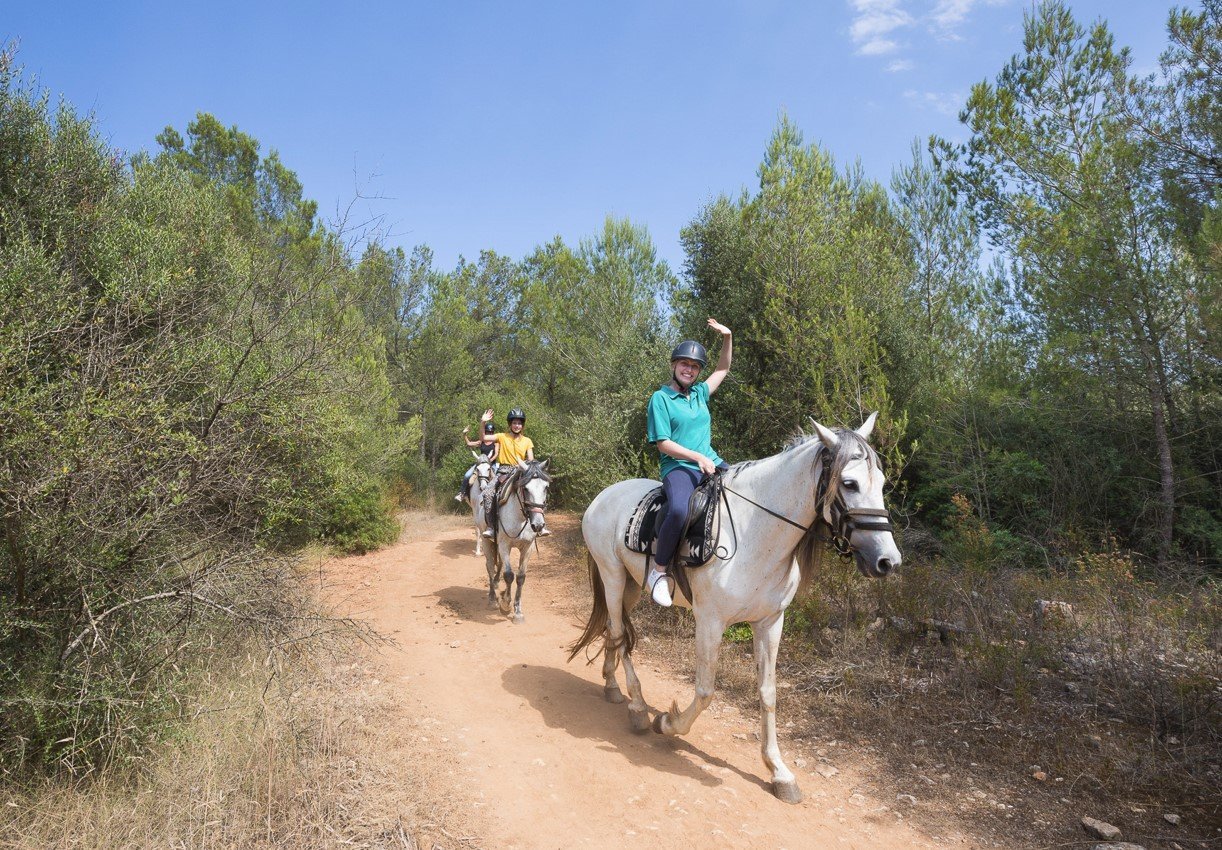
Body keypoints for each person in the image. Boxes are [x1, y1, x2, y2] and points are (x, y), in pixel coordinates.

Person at [644, 318, 733, 606]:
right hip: (679, 467)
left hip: (712, 462)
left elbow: (723, 368)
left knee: (743, 496)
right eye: (684, 363)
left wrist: (727, 337)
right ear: (673, 365)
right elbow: (663, 443)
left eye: (694, 366)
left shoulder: (699, 393)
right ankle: (658, 572)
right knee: (680, 510)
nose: (689, 369)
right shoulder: (661, 398)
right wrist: (697, 457)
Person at [480, 407, 551, 538]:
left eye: (519, 423)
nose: (517, 425)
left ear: (522, 425)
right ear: (510, 424)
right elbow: (483, 437)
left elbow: (531, 460)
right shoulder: (501, 436)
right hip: (503, 471)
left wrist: (532, 469)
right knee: (488, 492)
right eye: (514, 423)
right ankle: (491, 526)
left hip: (521, 470)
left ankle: (541, 525)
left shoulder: (527, 441)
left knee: (537, 491)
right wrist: (483, 422)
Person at [455, 421, 499, 502]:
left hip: (491, 464)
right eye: (488, 432)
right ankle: (462, 493)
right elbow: (469, 444)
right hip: (480, 464)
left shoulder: (496, 442)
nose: (489, 433)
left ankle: (499, 496)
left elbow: (496, 454)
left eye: (491, 432)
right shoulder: (481, 441)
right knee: (467, 475)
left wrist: (489, 461)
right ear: (485, 432)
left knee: (497, 478)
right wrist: (464, 434)